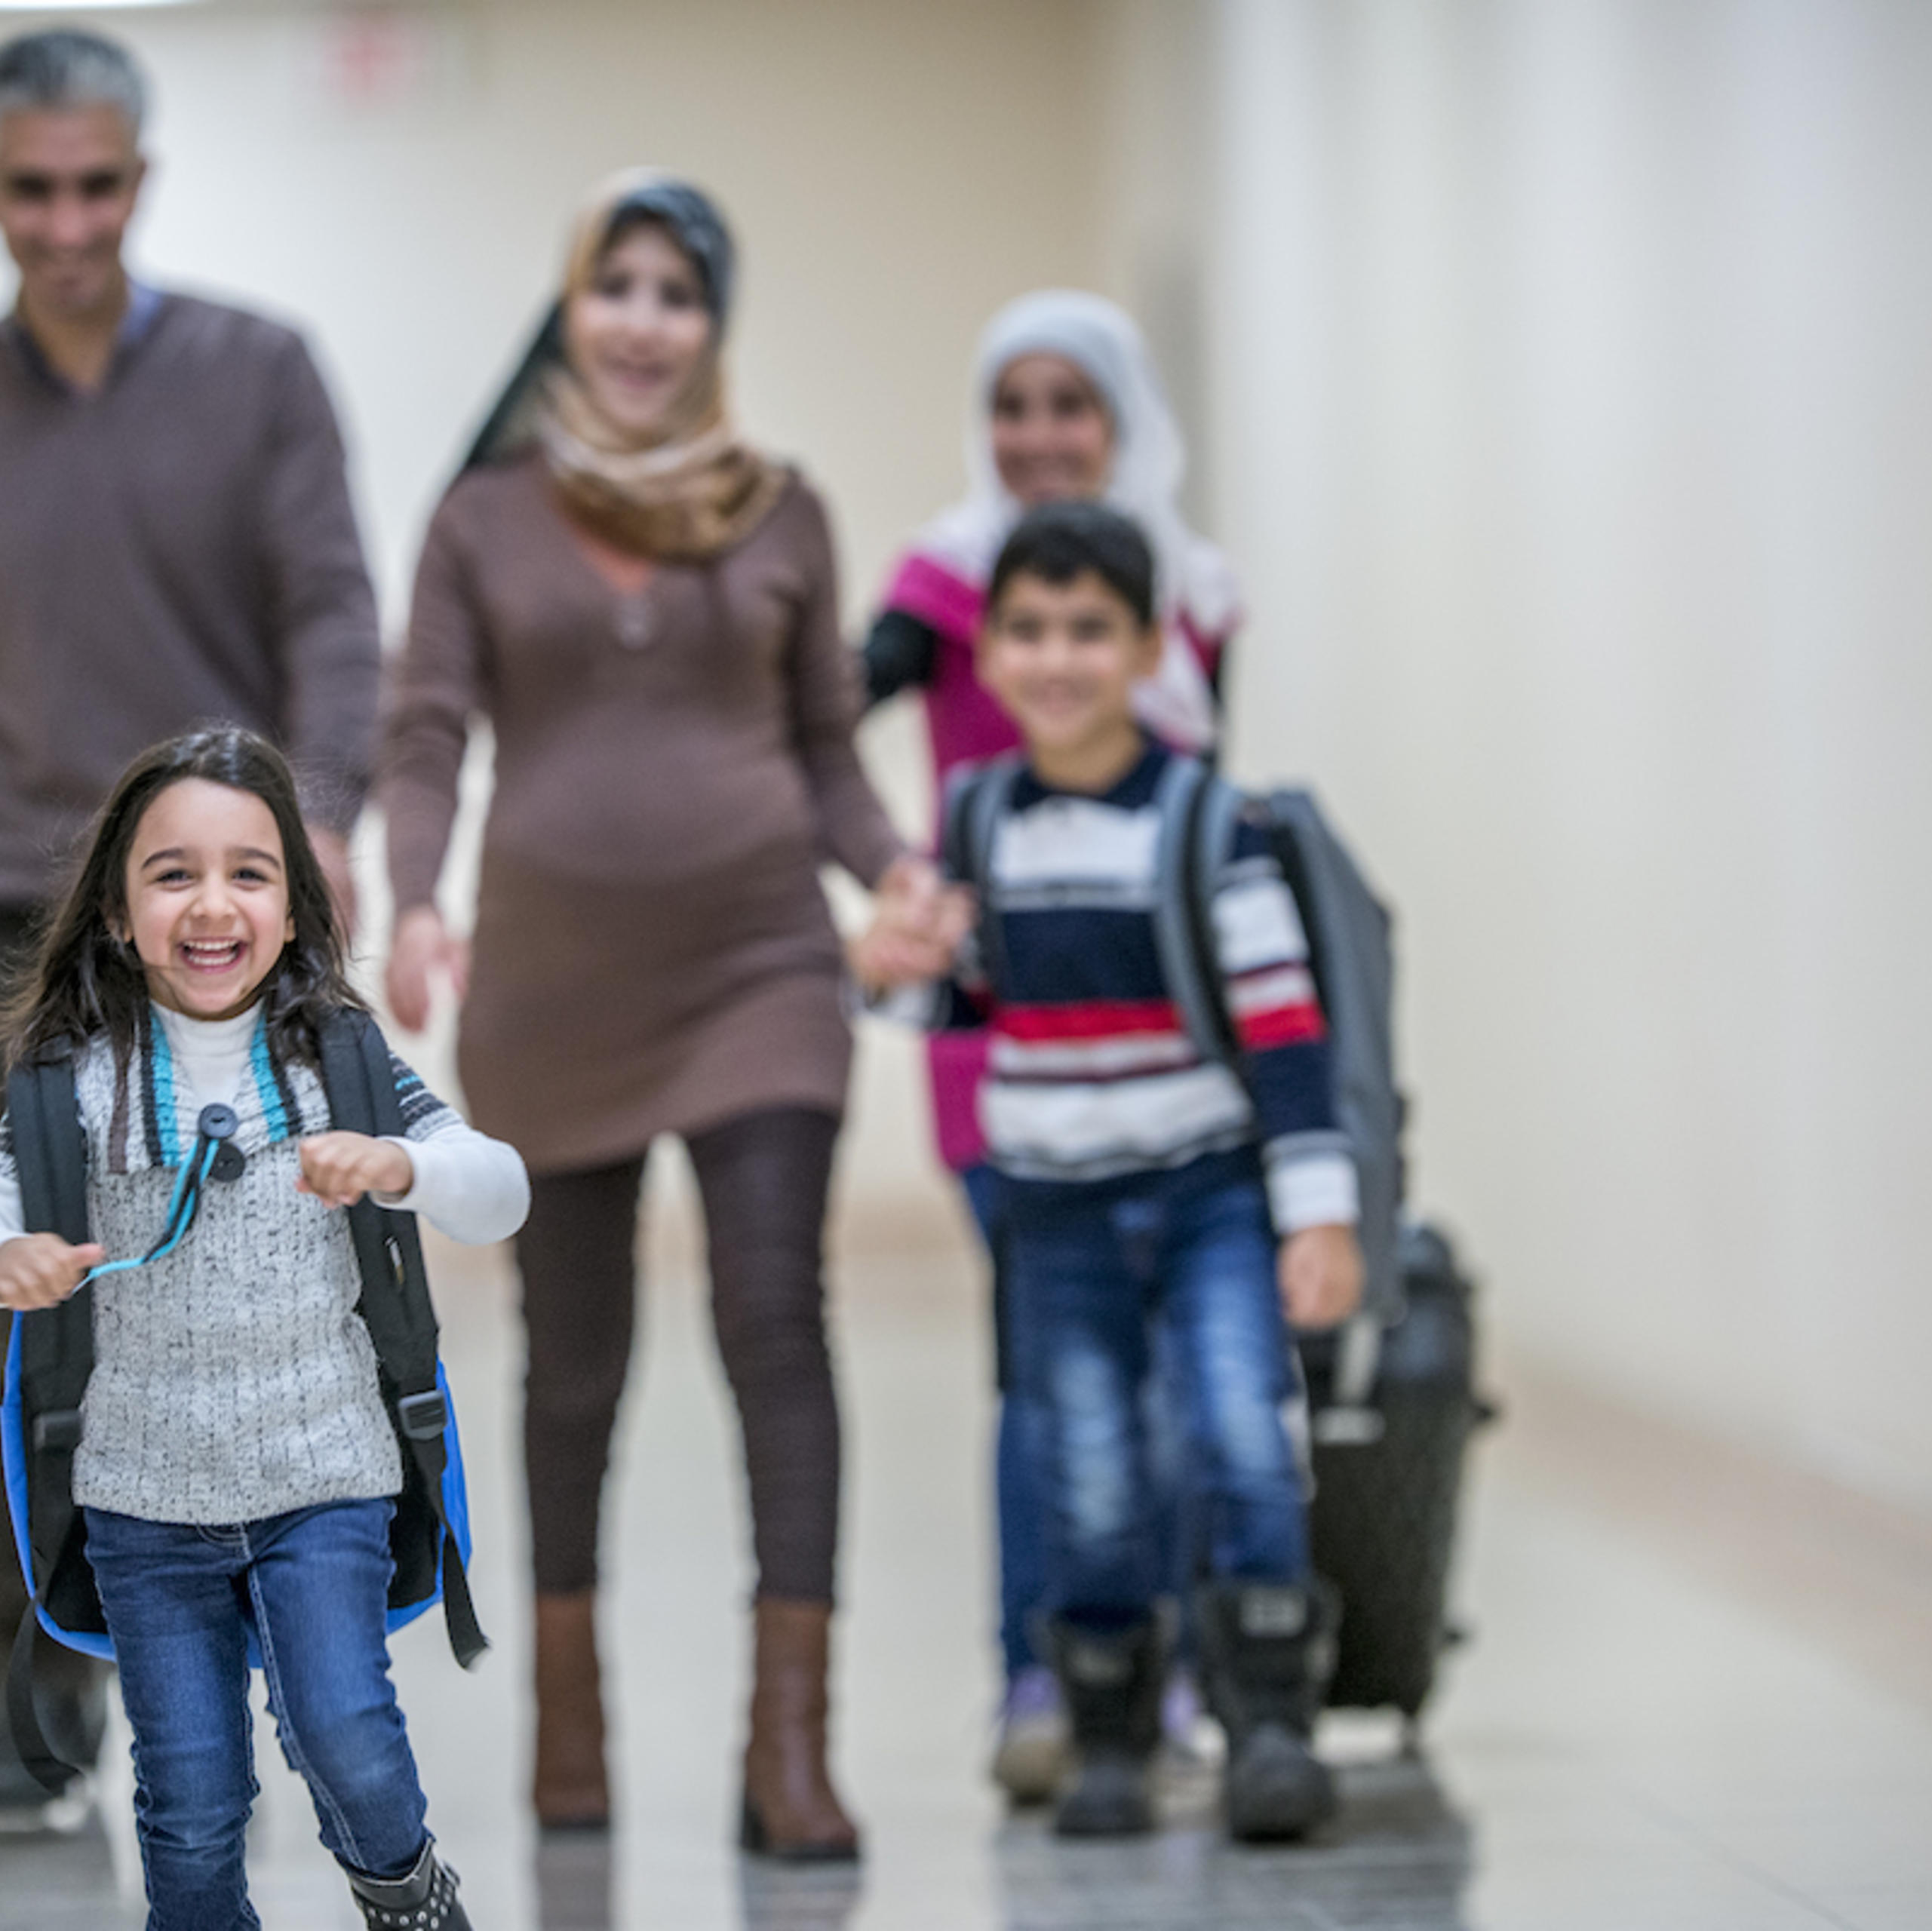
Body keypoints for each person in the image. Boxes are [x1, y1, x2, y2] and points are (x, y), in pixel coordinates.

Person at [0, 26, 385, 1802]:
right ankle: (34, 1666)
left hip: (230, 920)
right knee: (23, 1300)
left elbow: (337, 621)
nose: (66, 221)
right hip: (14, 931)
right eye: (31, 189)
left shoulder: (261, 377)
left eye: (97, 185)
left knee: (267, 1277)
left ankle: (276, 1629)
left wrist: (319, 822)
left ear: (142, 179)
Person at [378, 170, 932, 1859]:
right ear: (572, 309)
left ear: (713, 326)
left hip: (765, 966)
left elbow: (829, 743)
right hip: (554, 991)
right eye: (614, 286)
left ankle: (790, 1744)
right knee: (574, 1363)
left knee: (777, 1314)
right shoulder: (480, 517)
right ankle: (569, 1716)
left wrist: (895, 867)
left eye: (677, 293)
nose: (642, 321)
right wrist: (412, 896)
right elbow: (423, 731)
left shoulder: (782, 508)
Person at [0, 726, 528, 1928]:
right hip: (145, 1504)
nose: (213, 905)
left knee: (346, 1734)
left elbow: (497, 1183)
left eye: (250, 872)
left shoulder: (343, 1064)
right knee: (189, 1804)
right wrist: (4, 1258)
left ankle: (405, 1889)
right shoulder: (71, 1086)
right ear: (115, 913)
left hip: (324, 1476)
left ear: (298, 910)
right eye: (173, 874)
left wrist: (402, 1163)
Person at [851, 502, 1361, 1843]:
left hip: (1209, 1199)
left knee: (1245, 1441)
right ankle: (1111, 1737)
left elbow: (1286, 1034)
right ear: (991, 655)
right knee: (1083, 1466)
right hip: (1054, 1212)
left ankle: (1265, 1727)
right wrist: (888, 976)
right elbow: (964, 1002)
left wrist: (1317, 1217)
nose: (1058, 656)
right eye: (1028, 629)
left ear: (1150, 650)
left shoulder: (1209, 821)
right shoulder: (978, 819)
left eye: (1093, 630)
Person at [856, 291, 1243, 1803]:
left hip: (1179, 1044)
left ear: (1125, 416)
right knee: (1049, 1370)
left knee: (1189, 1373)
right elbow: (816, 722)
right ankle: (1042, 1670)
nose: (1037, 436)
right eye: (1009, 405)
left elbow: (1221, 807)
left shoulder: (1197, 594)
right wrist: (894, 878)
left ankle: (1184, 1674)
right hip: (1008, 1038)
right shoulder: (946, 583)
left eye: (1067, 404)